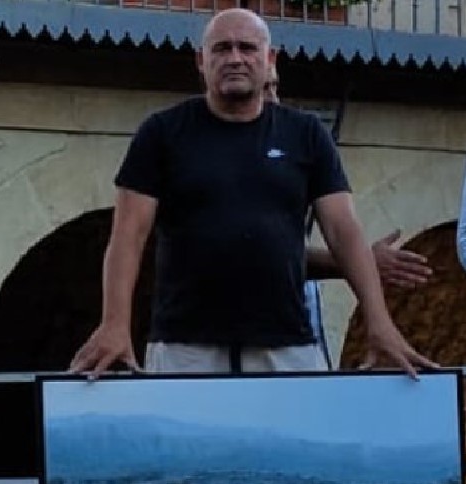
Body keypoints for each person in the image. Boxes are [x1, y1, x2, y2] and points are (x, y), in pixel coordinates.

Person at [70, 8, 435, 378]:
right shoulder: (162, 134)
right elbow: (128, 236)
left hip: (287, 346)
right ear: (201, 60)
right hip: (185, 347)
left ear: (269, 58)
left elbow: (344, 231)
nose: (235, 59)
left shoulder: (307, 135)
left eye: (247, 48)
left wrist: (379, 322)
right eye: (222, 49)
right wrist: (114, 323)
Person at [259, 68, 432, 367]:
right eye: (263, 90)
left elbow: (334, 231)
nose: (273, 100)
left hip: (298, 324)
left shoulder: (298, 146)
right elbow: (260, 254)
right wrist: (359, 261)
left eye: (274, 87)